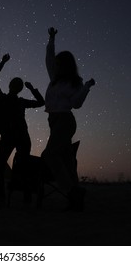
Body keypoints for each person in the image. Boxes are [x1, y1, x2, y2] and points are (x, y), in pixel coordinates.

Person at [41, 27, 95, 211]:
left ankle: (71, 191)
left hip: (65, 121)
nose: (55, 65)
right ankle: (76, 198)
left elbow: (77, 103)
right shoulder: (54, 78)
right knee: (67, 161)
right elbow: (48, 58)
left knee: (49, 155)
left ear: (65, 64)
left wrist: (86, 87)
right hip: (53, 121)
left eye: (58, 63)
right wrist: (51, 38)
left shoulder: (74, 82)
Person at [0, 53, 45, 204]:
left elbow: (41, 102)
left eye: (18, 86)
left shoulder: (16, 101)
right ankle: (5, 194)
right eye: (16, 85)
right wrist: (2, 62)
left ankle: (17, 195)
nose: (16, 87)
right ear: (12, 86)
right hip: (14, 136)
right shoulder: (4, 98)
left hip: (18, 137)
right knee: (1, 166)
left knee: (11, 166)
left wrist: (33, 89)